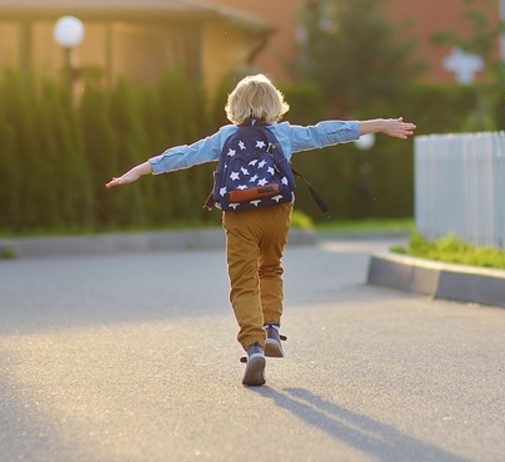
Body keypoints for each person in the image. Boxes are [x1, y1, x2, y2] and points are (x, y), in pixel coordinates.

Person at [106, 74, 416, 386]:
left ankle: (254, 347)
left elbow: (185, 154)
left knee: (243, 282)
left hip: (240, 214)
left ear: (234, 106)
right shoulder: (284, 133)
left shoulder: (226, 136)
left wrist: (140, 170)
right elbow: (325, 132)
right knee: (270, 268)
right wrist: (379, 124)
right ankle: (271, 328)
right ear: (275, 105)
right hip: (277, 210)